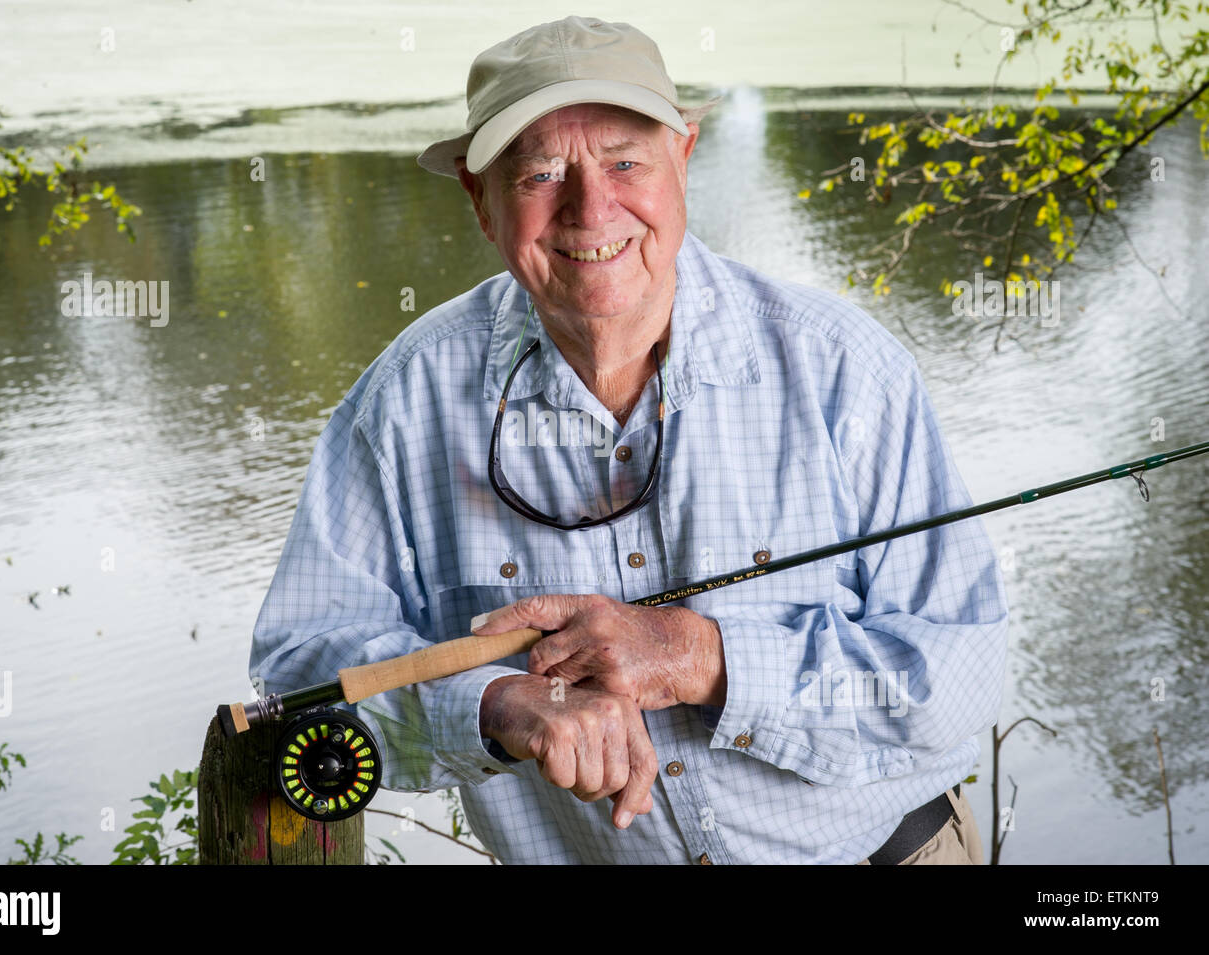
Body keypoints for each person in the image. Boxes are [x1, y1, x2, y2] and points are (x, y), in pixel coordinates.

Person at [249, 15, 1008, 864]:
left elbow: (964, 671)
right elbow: (300, 671)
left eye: (624, 162)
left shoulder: (844, 370)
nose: (590, 208)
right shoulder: (405, 401)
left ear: (684, 154)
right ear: (479, 198)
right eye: (539, 172)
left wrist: (704, 659)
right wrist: (494, 701)